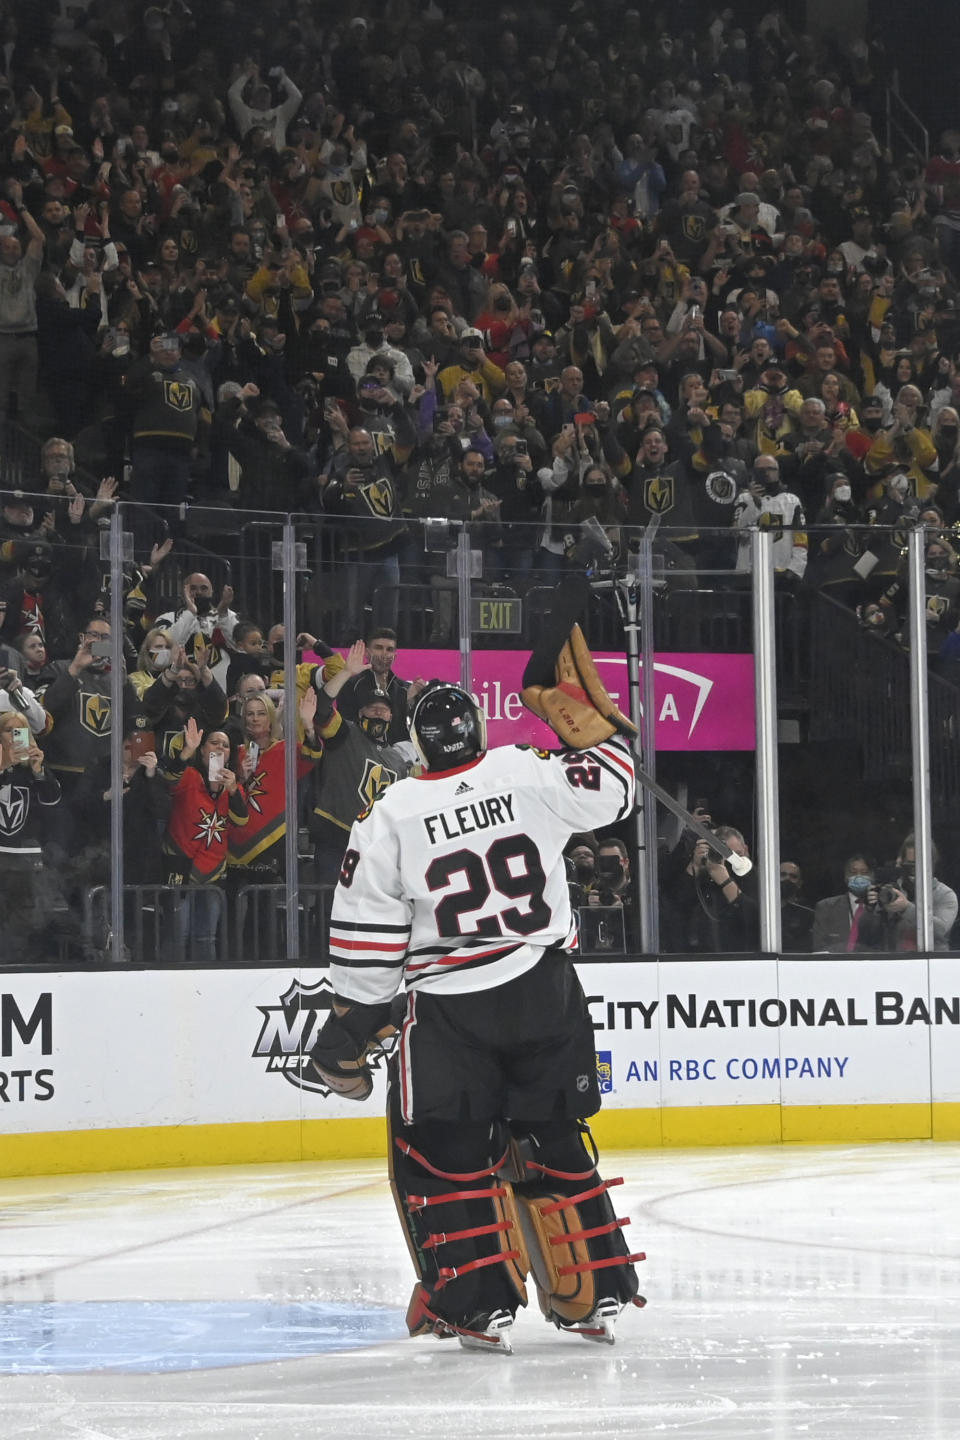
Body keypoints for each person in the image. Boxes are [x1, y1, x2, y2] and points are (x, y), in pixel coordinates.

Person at [306, 670, 644, 1352]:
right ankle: (593, 1292)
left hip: (451, 1011)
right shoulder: (525, 771)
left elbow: (366, 946)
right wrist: (587, 724)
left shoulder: (390, 814)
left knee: (443, 1155)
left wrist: (353, 1028)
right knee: (553, 1135)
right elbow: (619, 789)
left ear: (416, 746)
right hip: (544, 989)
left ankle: (474, 1305)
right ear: (478, 732)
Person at [0, 708, 61, 964]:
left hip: (26, 861)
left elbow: (52, 804)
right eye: (8, 730)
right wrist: (4, 766)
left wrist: (39, 772)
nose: (14, 737)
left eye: (20, 731)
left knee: (20, 929)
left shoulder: (33, 770)